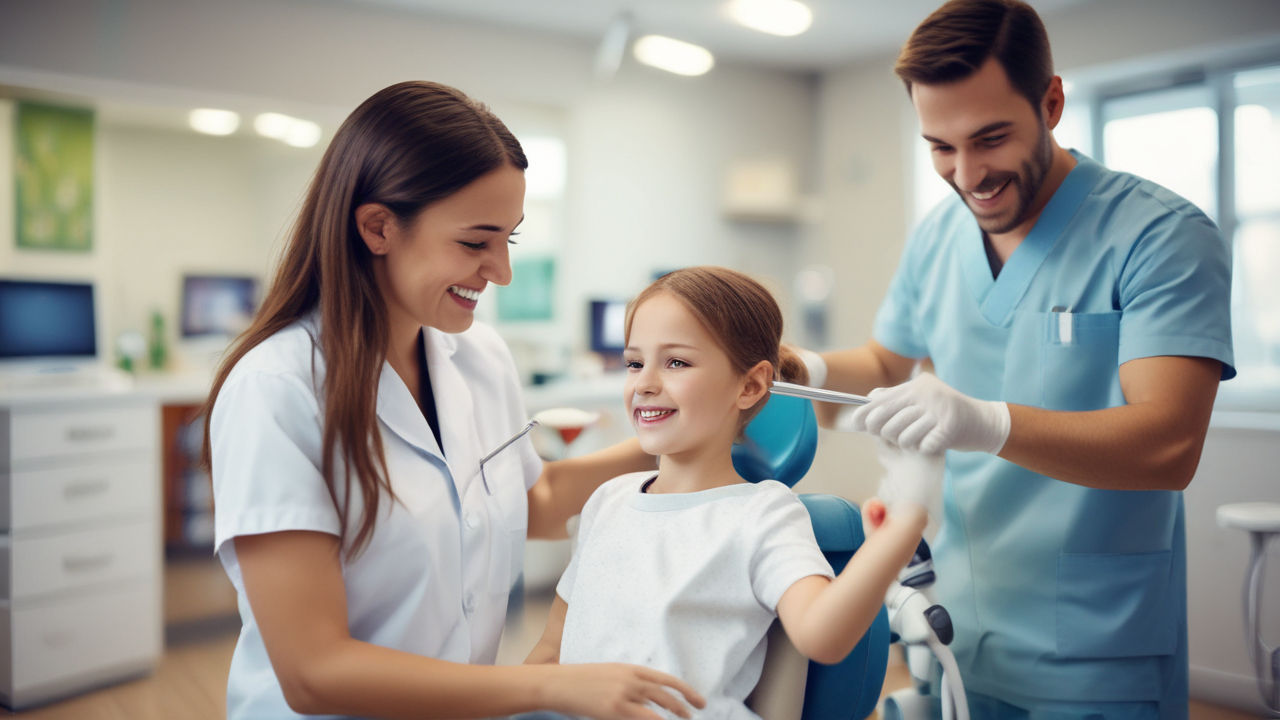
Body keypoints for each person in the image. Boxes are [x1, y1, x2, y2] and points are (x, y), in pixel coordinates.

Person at [202, 81, 706, 720]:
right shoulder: (276, 390)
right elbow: (313, 671)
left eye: (509, 240)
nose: (501, 271)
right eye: (475, 242)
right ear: (378, 226)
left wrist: (692, 429)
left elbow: (537, 503)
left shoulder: (479, 357)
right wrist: (550, 684)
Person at [797, 2, 1235, 718]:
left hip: (1098, 646)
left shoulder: (1159, 236)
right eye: (940, 147)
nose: (968, 174)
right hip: (962, 626)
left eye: (990, 138)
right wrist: (803, 368)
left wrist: (984, 421)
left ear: (1052, 102)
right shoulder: (939, 236)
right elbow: (883, 359)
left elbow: (1169, 444)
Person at [524, 267, 938, 720]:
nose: (644, 382)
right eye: (634, 362)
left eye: (676, 362)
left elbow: (823, 635)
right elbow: (549, 655)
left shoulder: (763, 513)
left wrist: (900, 530)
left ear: (751, 385)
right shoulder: (608, 501)